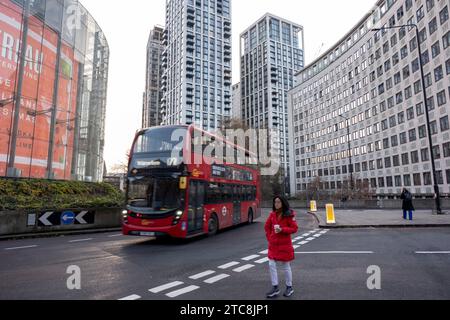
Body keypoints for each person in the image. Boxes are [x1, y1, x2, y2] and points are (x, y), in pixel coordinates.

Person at [264, 196, 299, 298]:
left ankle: (289, 287)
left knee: (286, 266)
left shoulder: (289, 214)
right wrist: (270, 238)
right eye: (275, 202)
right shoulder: (272, 215)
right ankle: (275, 287)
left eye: (278, 202)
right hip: (273, 245)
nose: (276, 204)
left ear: (283, 203)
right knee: (271, 264)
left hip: (285, 245)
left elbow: (294, 228)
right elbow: (266, 227)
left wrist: (282, 229)